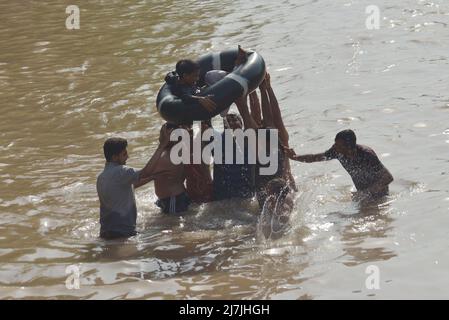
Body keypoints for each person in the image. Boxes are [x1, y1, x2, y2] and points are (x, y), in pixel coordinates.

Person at [96, 125, 172, 239]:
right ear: (115, 157)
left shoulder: (102, 177)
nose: (128, 157)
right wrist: (161, 146)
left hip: (106, 232)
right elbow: (146, 172)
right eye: (124, 154)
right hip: (123, 233)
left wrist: (153, 177)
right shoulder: (122, 171)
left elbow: (129, 186)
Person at [285, 129, 394, 198]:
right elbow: (315, 157)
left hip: (380, 196)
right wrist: (295, 157)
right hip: (361, 195)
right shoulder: (337, 152)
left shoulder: (367, 155)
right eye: (335, 144)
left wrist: (366, 193)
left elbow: (388, 178)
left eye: (339, 145)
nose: (334, 147)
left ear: (349, 147)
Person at [153, 124, 192, 214]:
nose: (160, 136)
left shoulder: (167, 156)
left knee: (172, 227)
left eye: (162, 134)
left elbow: (146, 174)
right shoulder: (178, 150)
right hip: (175, 197)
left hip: (173, 199)